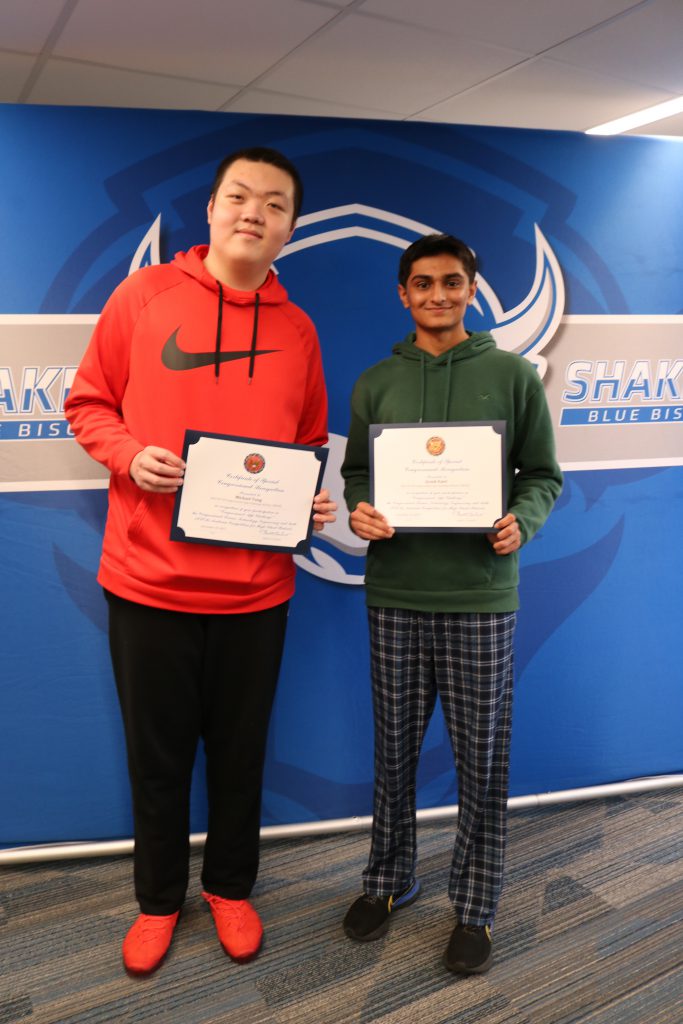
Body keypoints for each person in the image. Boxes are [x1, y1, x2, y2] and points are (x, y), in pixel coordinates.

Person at [65, 147, 336, 975]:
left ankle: (229, 887)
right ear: (211, 210)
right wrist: (126, 455)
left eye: (275, 204)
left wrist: (307, 503)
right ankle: (157, 901)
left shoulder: (298, 327)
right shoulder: (143, 295)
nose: (254, 213)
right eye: (240, 197)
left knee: (240, 751)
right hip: (148, 581)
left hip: (256, 593)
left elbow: (305, 443)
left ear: (291, 226)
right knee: (158, 756)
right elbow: (86, 402)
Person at [340, 233, 562, 975]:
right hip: (395, 593)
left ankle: (475, 908)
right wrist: (362, 509)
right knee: (393, 751)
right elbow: (357, 474)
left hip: (479, 598)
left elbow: (542, 476)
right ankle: (387, 881)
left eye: (451, 282)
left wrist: (518, 521)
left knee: (480, 761)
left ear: (473, 288)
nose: (437, 294)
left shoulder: (511, 376)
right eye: (422, 283)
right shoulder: (375, 381)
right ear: (401, 294)